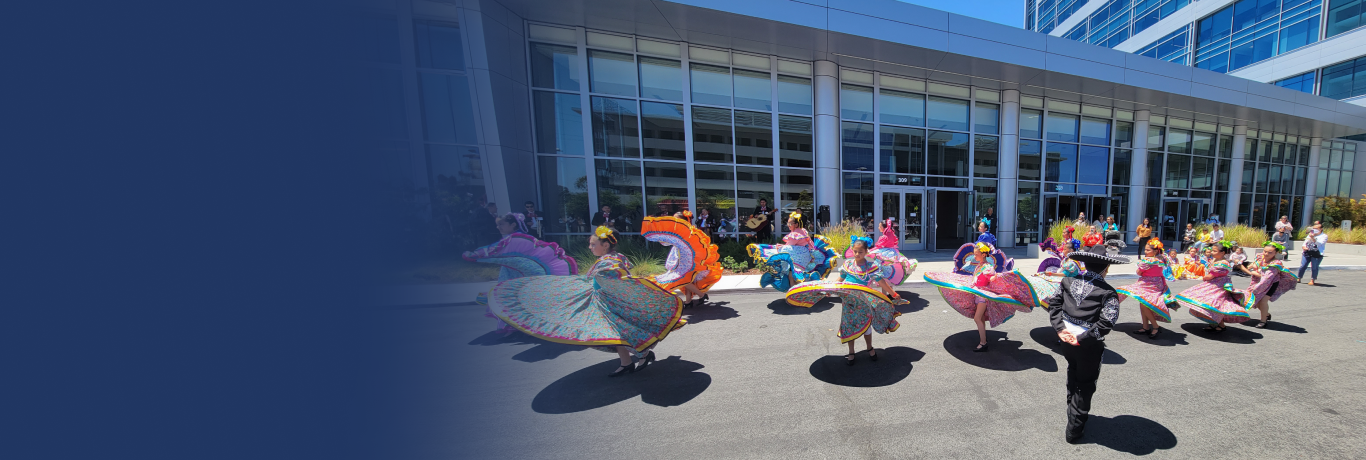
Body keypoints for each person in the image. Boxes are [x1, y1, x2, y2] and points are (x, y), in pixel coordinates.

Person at [486, 226, 686, 377]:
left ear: (605, 245)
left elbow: (616, 280)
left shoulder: (610, 262)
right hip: (607, 303)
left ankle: (635, 358)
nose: (590, 247)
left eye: (593, 244)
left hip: (612, 304)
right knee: (618, 333)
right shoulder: (614, 258)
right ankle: (635, 358)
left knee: (619, 332)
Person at [1049, 246, 1129, 444]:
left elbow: (1054, 305)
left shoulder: (1067, 281)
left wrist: (1061, 330)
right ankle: (1074, 429)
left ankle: (1072, 410)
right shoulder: (1108, 292)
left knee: (1073, 370)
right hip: (1088, 345)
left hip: (1066, 340)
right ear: (1106, 268)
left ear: (1085, 263)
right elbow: (1107, 323)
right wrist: (1082, 338)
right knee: (1085, 384)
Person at [786, 236, 904, 365]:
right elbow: (840, 281)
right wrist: (828, 290)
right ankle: (851, 352)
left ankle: (869, 348)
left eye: (860, 252)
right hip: (848, 302)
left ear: (866, 252)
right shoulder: (847, 264)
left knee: (867, 326)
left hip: (864, 302)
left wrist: (893, 293)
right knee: (848, 325)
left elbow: (881, 282)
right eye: (855, 251)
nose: (857, 254)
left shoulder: (871, 266)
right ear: (852, 250)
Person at [464, 213, 580, 333]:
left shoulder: (514, 239)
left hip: (519, 274)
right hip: (513, 272)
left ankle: (515, 325)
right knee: (516, 297)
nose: (498, 227)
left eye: (501, 224)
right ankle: (519, 325)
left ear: (513, 224)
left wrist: (474, 255)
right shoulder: (517, 238)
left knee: (513, 296)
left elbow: (494, 250)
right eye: (497, 225)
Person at [923, 237, 1035, 352]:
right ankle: (983, 339)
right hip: (977, 295)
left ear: (983, 255)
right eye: (974, 254)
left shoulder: (988, 267)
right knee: (980, 318)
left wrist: (995, 277)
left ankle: (983, 343)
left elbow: (990, 278)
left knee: (977, 318)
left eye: (976, 254)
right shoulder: (979, 265)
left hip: (983, 297)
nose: (974, 256)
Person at [642, 213, 723, 308]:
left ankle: (700, 295)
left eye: (677, 219)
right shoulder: (679, 232)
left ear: (684, 221)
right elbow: (666, 242)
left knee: (682, 278)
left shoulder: (692, 232)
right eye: (674, 219)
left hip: (688, 259)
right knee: (686, 278)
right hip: (680, 257)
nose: (675, 221)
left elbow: (700, 245)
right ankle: (689, 301)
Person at [1174, 241, 1253, 333]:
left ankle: (1221, 325)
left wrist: (1202, 277)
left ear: (1222, 253)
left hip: (1218, 286)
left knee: (1215, 304)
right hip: (1214, 284)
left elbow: (1210, 276)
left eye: (1215, 251)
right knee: (1211, 303)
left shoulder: (1222, 263)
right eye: (1212, 250)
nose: (1212, 252)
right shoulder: (1215, 260)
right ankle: (1214, 323)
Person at [748, 210, 836, 292]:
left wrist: (780, 248)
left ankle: (796, 291)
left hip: (797, 258)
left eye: (790, 223)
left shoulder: (795, 234)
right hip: (803, 258)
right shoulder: (804, 231)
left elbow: (789, 246)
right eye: (788, 223)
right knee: (793, 274)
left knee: (791, 273)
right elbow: (810, 244)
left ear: (796, 224)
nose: (788, 225)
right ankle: (798, 291)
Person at [1115, 239, 1178, 339]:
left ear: (1156, 251)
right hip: (1156, 284)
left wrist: (1144, 272)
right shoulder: (1162, 258)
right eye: (1145, 250)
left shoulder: (1149, 261)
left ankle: (1155, 327)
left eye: (1148, 250)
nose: (1145, 252)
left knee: (1144, 304)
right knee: (1143, 303)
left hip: (1148, 284)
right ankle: (1145, 327)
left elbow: (1138, 272)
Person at [1238, 241, 1298, 328]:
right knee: (1256, 300)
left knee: (1263, 301)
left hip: (1271, 283)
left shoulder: (1275, 264)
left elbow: (1267, 278)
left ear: (1276, 252)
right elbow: (1254, 264)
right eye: (1265, 251)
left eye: (1270, 252)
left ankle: (1263, 321)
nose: (1266, 254)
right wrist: (1252, 266)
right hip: (1258, 281)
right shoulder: (1260, 257)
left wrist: (1255, 274)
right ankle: (1266, 314)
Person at [843, 217, 919, 285]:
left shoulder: (884, 236)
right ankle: (887, 290)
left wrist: (869, 251)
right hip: (893, 252)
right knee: (889, 269)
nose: (878, 227)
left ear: (883, 227)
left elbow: (878, 246)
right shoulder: (891, 234)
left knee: (880, 268)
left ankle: (877, 285)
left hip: (885, 253)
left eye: (879, 226)